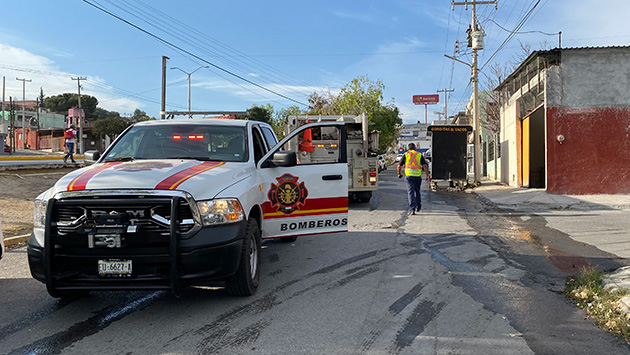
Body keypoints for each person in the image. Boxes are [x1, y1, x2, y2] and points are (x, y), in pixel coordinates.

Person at [397, 143, 430, 215]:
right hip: (417, 176)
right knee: (417, 191)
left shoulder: (406, 154)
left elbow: (399, 165)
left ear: (408, 148)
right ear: (415, 148)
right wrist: (427, 175)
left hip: (409, 176)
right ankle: (418, 206)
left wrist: (399, 173)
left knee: (410, 192)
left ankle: (412, 209)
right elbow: (424, 165)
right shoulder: (419, 154)